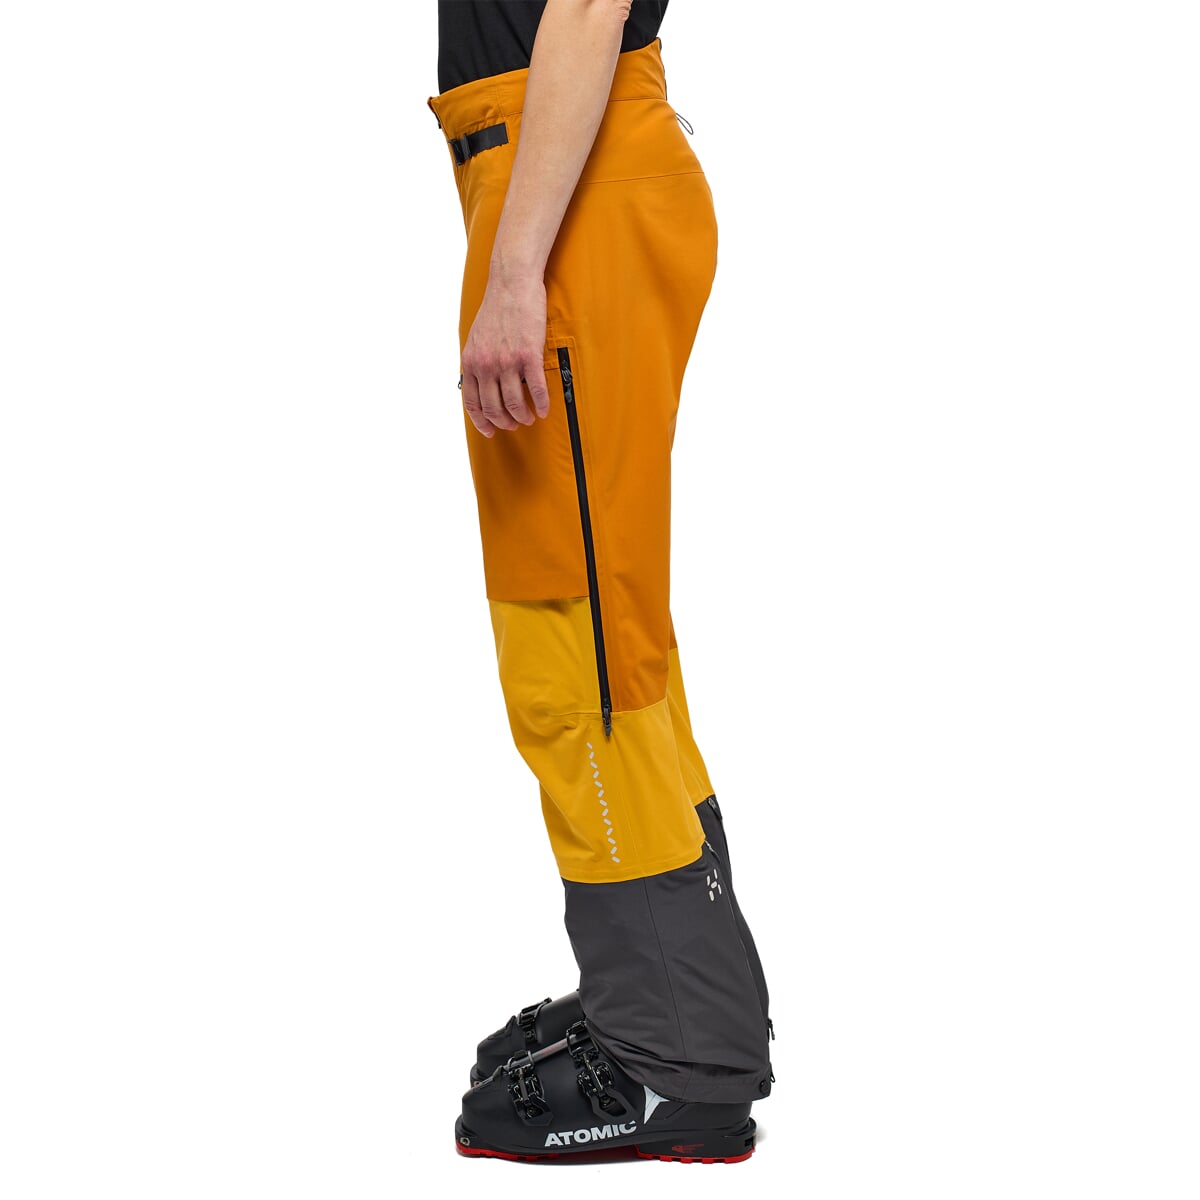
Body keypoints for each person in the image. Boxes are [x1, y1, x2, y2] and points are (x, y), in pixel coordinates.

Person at [428, 0, 774, 1162]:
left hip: (569, 194)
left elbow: (585, 4)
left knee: (577, 644)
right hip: (563, 171)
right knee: (607, 627)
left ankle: (675, 1058)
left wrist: (516, 270)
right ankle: (676, 995)